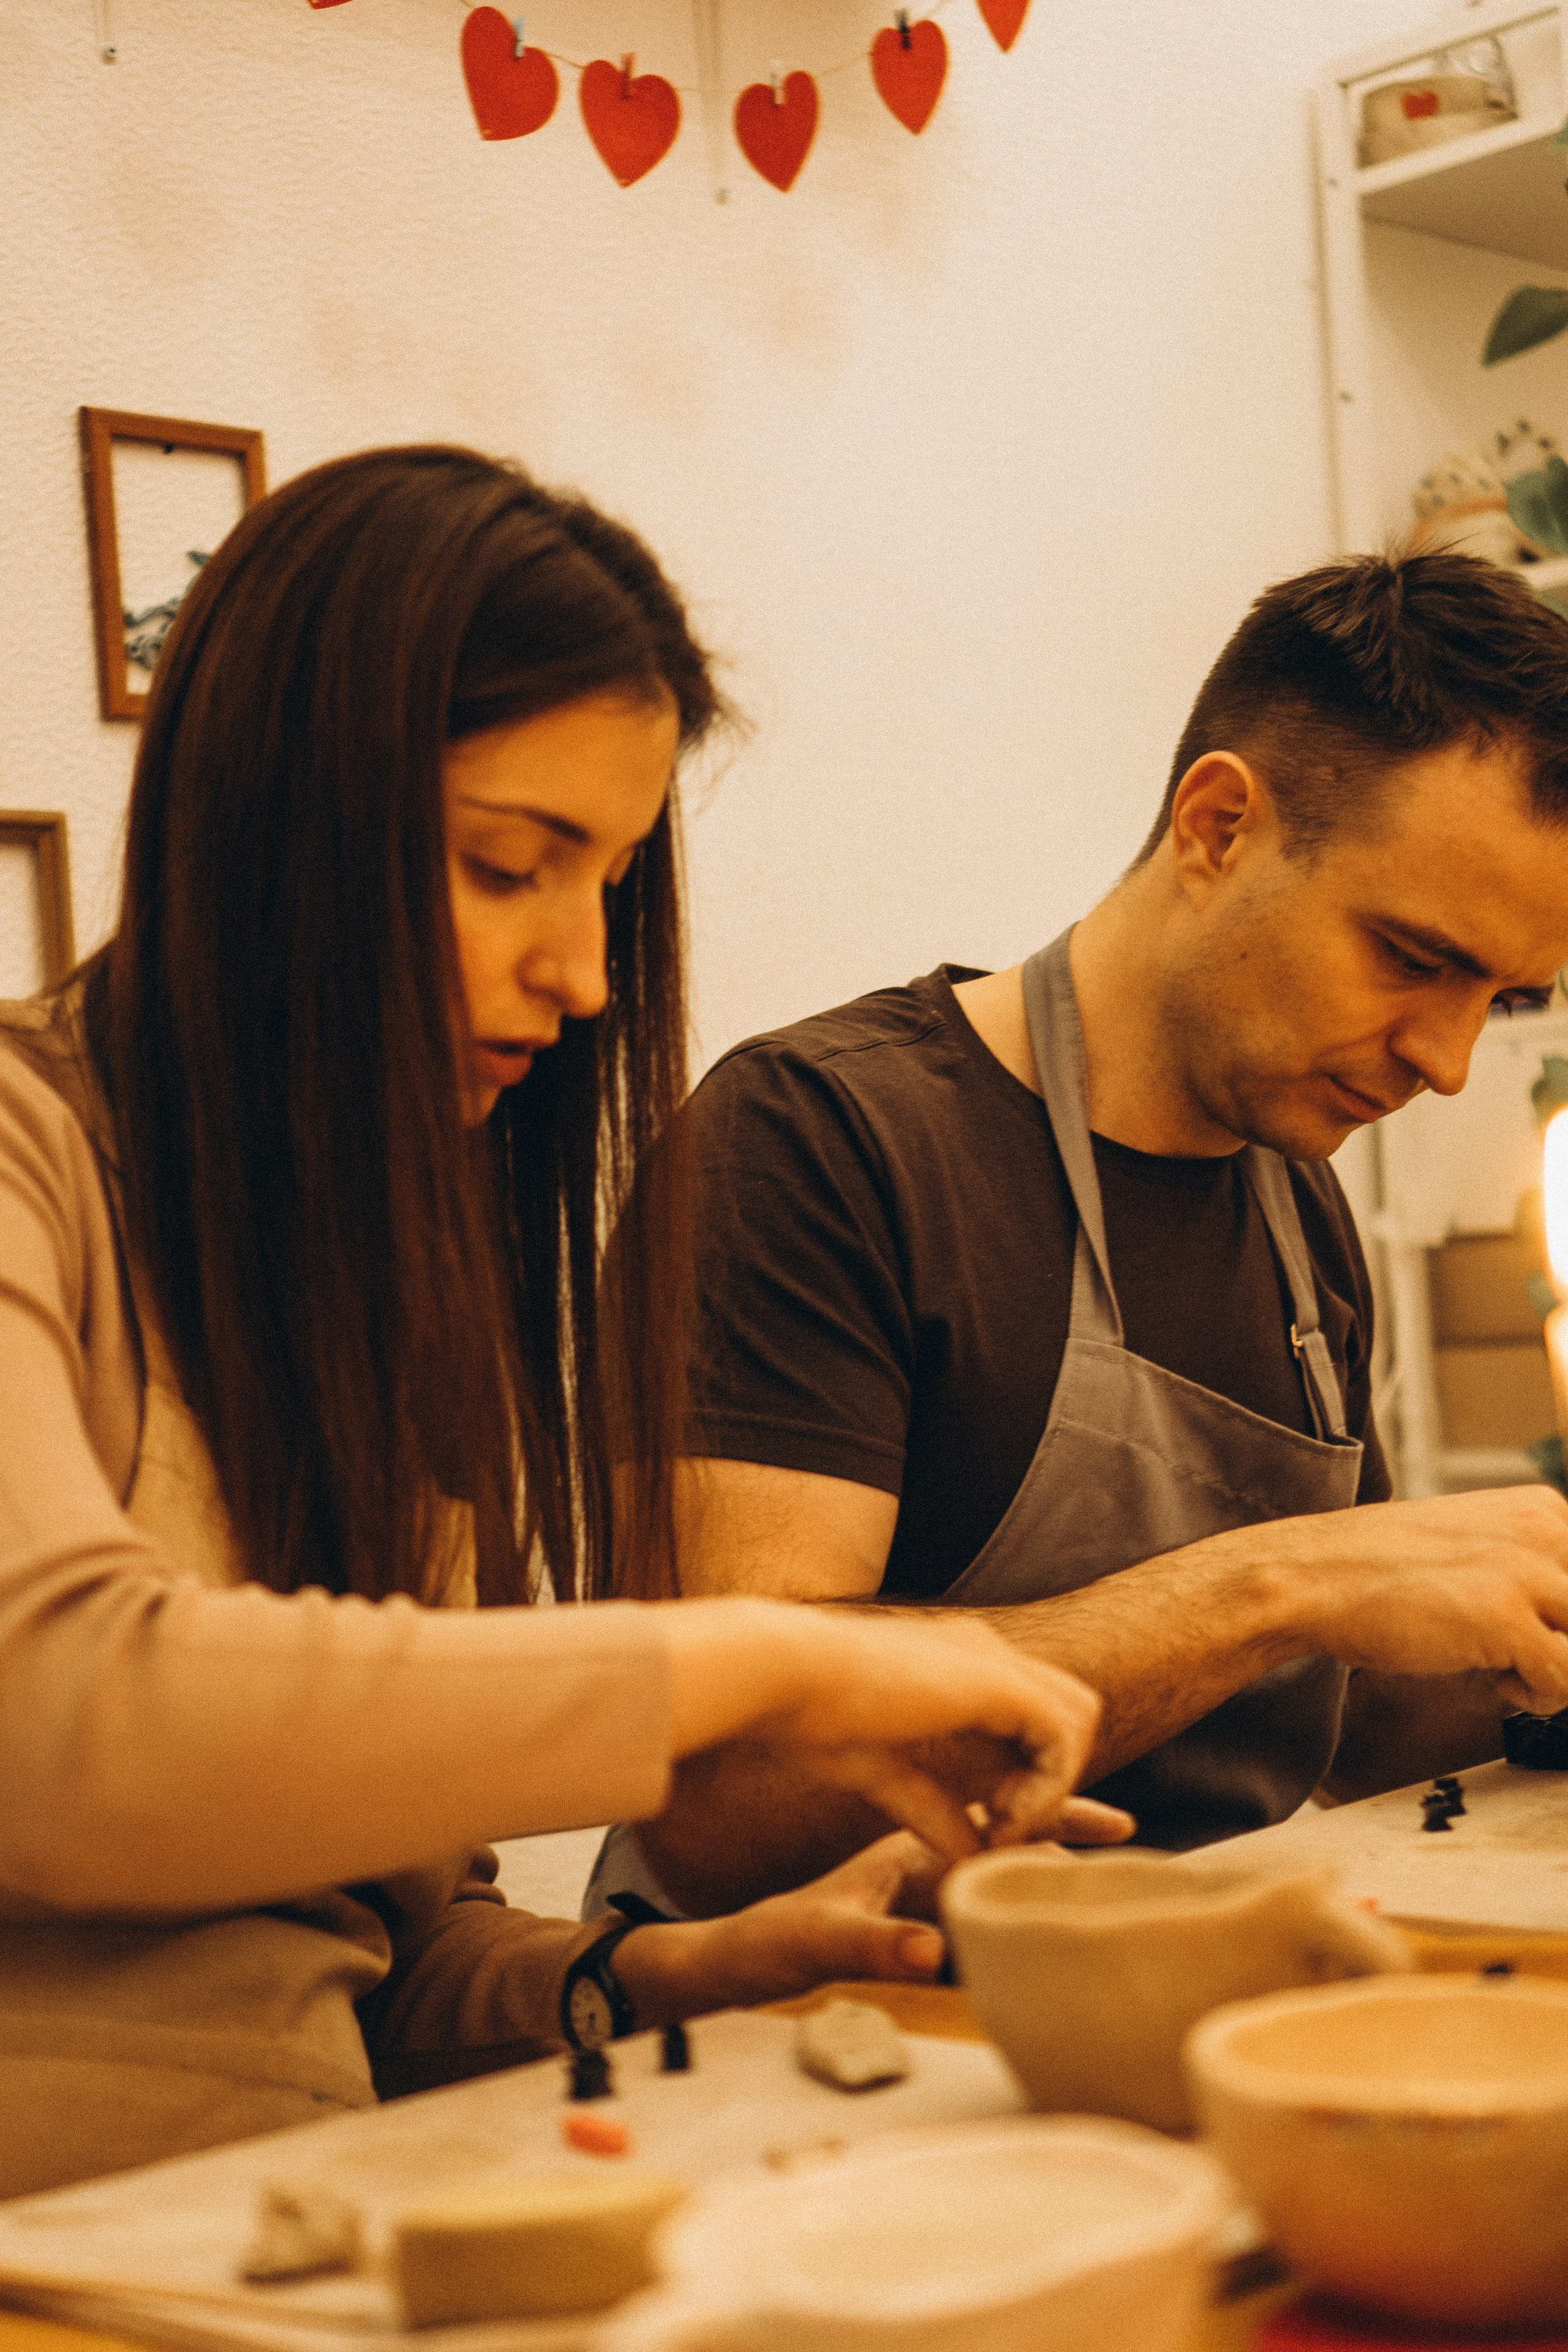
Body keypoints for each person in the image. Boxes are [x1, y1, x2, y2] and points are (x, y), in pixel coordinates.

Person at [0, 445, 1115, 2199]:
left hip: (296, 2222)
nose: (586, 978)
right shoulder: (25, 1155)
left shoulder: (367, 1279)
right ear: (275, 824)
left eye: (606, 882)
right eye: (510, 867)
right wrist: (776, 1657)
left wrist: (691, 1968)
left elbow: (385, 1961)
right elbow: (55, 1720)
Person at [590, 549, 1568, 1921]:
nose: (1448, 1061)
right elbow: (721, 1798)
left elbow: (1346, 1730)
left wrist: (1515, 1646)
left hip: (1178, 1987)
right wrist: (1274, 1586)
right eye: (1412, 958)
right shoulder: (819, 1142)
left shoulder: (1294, 1202)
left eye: (1503, 998)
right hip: (816, 2048)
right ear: (1217, 826)